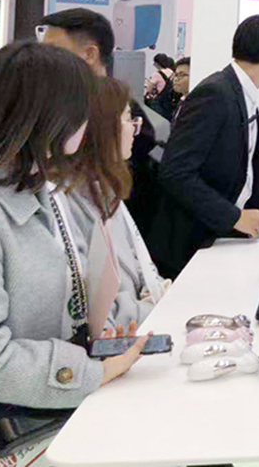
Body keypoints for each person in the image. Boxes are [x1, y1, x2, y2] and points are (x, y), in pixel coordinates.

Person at [0, 42, 149, 419]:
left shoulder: (42, 191)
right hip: (19, 421)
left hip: (50, 404)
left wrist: (98, 339)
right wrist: (88, 372)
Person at [152, 15, 259, 278]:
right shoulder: (215, 93)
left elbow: (238, 170)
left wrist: (255, 217)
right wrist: (234, 217)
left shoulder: (242, 93)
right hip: (192, 245)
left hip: (222, 236)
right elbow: (175, 172)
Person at [38, 8, 160, 241]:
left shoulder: (117, 113)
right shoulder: (52, 107)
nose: (43, 59)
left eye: (53, 50)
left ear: (90, 54)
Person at [68, 77, 168, 333]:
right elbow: (93, 306)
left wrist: (155, 289)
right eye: (127, 119)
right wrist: (150, 306)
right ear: (102, 128)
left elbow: (136, 262)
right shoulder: (71, 202)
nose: (135, 128)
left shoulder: (107, 191)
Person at [144, 53, 177, 120]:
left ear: (157, 63)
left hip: (159, 102)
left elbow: (148, 89)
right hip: (169, 101)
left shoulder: (157, 74)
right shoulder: (171, 72)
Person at [170, 56, 190, 123]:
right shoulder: (181, 101)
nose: (176, 79)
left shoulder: (196, 104)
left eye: (182, 75)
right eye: (176, 75)